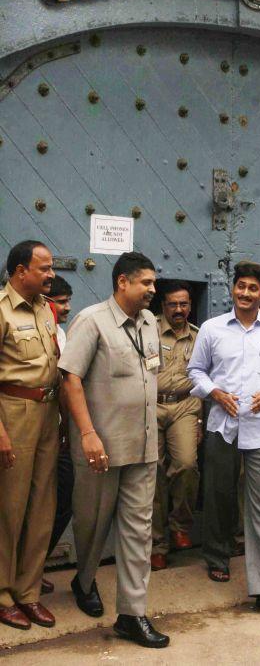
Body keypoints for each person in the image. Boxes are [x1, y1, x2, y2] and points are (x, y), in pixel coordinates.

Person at [59, 251, 169, 649]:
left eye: (153, 284)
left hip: (143, 446)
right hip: (100, 448)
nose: (152, 291)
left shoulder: (150, 323)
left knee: (139, 531)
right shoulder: (91, 321)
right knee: (91, 524)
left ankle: (132, 613)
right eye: (146, 283)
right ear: (122, 282)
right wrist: (87, 433)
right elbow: (70, 379)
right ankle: (84, 579)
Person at [188, 261, 260, 611]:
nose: (245, 293)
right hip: (224, 424)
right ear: (233, 289)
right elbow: (196, 370)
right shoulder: (212, 328)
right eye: (241, 287)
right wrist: (215, 393)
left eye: (253, 288)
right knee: (219, 494)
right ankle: (218, 556)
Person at [0, 240, 59, 631]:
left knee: (41, 505)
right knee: (10, 506)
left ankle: (28, 592)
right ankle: (3, 593)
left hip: (47, 412)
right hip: (13, 413)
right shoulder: (2, 310)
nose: (51, 274)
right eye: (44, 268)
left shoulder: (46, 309)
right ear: (20, 271)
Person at [151, 280, 202, 571]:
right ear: (164, 306)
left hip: (185, 405)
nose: (179, 309)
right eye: (173, 304)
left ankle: (179, 525)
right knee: (153, 473)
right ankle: (157, 544)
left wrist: (200, 418)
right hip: (152, 405)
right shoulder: (148, 329)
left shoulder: (198, 337)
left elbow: (208, 377)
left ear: (190, 306)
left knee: (186, 463)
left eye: (184, 304)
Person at [41, 275, 74, 595]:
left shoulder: (61, 334)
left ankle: (32, 568)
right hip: (28, 427)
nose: (66, 308)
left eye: (68, 301)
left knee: (62, 499)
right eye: (60, 301)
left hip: (59, 432)